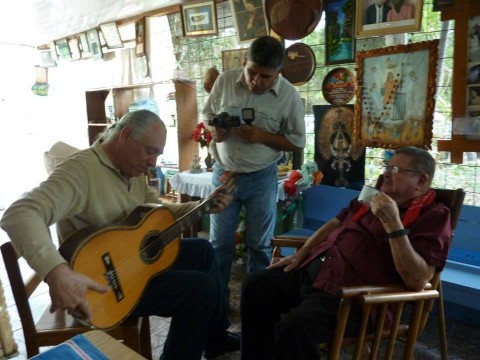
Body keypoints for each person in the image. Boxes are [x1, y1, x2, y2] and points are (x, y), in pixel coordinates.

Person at [1, 110, 240, 360]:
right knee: (199, 291)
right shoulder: (81, 171)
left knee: (202, 250)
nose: (153, 163)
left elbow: (157, 211)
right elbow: (19, 213)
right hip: (99, 289)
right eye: (150, 151)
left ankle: (215, 338)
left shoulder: (131, 171)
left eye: (157, 155)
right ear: (125, 135)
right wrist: (57, 274)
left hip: (131, 262)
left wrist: (201, 206)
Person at [241, 146, 452, 360]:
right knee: (256, 285)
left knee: (297, 326)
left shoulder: (434, 216)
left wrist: (392, 223)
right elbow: (336, 222)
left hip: (354, 296)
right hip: (318, 270)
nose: (387, 173)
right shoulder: (374, 195)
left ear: (421, 181)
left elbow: (417, 279)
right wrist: (302, 253)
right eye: (387, 166)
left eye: (396, 169)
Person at [203, 36, 306, 295]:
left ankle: (255, 302)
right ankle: (217, 301)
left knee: (259, 245)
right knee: (219, 243)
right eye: (252, 72)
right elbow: (207, 115)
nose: (255, 81)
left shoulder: (290, 96)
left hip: (261, 178)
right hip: (223, 174)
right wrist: (214, 130)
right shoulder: (224, 81)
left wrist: (262, 136)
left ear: (279, 73)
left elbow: (297, 141)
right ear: (244, 62)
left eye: (265, 77)